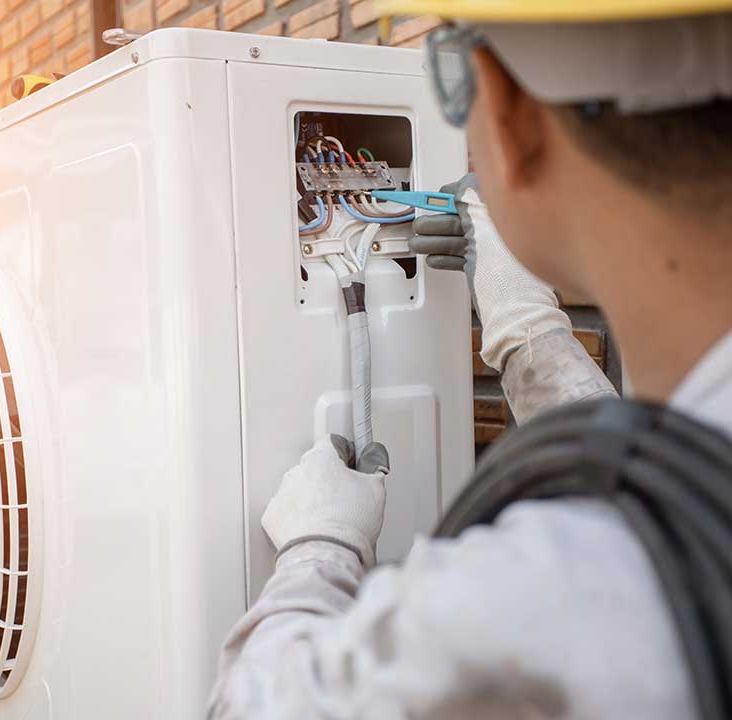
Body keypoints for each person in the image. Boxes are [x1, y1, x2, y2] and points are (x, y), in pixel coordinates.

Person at [208, 2, 732, 718]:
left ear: (510, 116)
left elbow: (251, 705)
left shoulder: (539, 596)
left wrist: (317, 548)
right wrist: (528, 340)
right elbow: (679, 467)